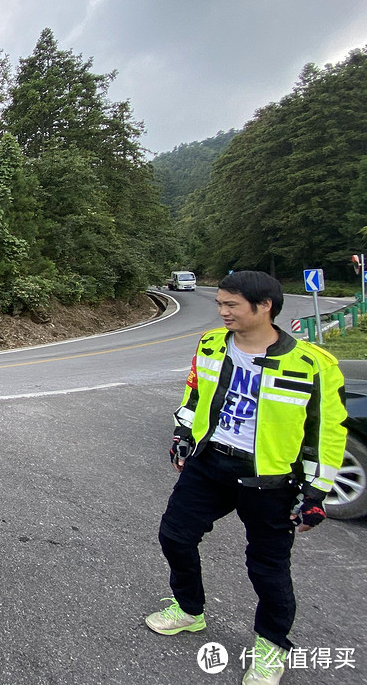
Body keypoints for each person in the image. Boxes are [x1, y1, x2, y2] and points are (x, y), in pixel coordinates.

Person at [145, 271, 347, 684]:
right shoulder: (212, 344)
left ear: (265, 306)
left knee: (267, 567)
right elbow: (196, 393)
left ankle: (271, 648)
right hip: (211, 464)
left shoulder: (313, 365)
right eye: (220, 304)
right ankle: (189, 610)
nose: (222, 312)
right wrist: (183, 435)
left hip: (271, 479)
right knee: (175, 537)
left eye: (230, 305)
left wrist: (316, 493)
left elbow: (327, 433)